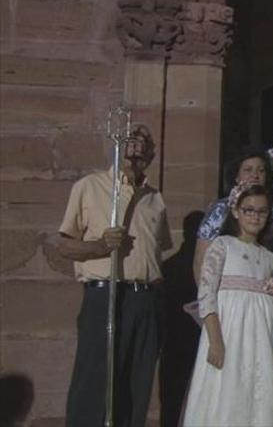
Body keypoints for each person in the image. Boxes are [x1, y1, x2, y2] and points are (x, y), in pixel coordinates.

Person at [57, 124, 172, 427]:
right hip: (105, 294)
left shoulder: (155, 199)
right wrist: (99, 246)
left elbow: (159, 250)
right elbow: (65, 246)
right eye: (130, 139)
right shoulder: (90, 186)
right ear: (117, 145)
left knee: (137, 381)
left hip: (144, 298)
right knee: (96, 379)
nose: (136, 146)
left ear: (152, 153)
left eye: (143, 142)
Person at [183, 183, 273, 426]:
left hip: (262, 336)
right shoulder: (223, 245)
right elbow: (206, 294)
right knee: (227, 387)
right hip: (229, 333)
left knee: (257, 391)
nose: (255, 216)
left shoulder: (270, 257)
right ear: (236, 211)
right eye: (249, 210)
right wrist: (216, 340)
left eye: (262, 211)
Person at [194, 147, 273, 284]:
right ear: (236, 177)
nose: (255, 175)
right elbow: (201, 258)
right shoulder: (220, 210)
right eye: (248, 170)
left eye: (261, 171)